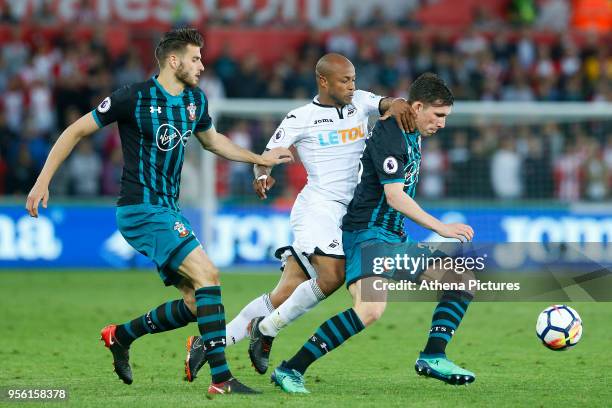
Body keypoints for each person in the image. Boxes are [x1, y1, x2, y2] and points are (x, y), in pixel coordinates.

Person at [25, 27, 292, 395]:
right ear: (173, 60)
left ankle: (121, 336)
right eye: (195, 58)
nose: (201, 65)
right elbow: (75, 130)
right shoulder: (133, 97)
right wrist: (43, 181)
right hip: (141, 209)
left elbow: (213, 141)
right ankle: (222, 379)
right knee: (209, 275)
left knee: (196, 302)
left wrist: (257, 159)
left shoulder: (195, 101)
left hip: (168, 210)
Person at [183, 52, 417, 381]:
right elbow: (266, 156)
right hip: (318, 210)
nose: (352, 86)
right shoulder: (300, 118)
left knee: (285, 292)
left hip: (351, 214)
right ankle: (265, 331)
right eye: (345, 80)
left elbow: (387, 103)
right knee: (333, 275)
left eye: (354, 79)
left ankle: (207, 343)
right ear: (323, 81)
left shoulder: (361, 102)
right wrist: (262, 174)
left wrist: (399, 103)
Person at [270, 73, 476, 393]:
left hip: (392, 236)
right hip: (368, 235)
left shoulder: (411, 130)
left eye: (446, 117)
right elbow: (394, 196)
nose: (442, 124)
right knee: (370, 309)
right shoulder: (392, 133)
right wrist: (441, 228)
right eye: (438, 116)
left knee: (460, 281)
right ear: (417, 107)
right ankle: (289, 369)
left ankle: (433, 356)